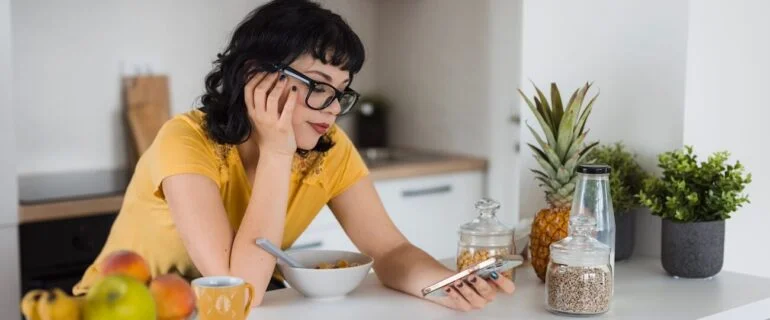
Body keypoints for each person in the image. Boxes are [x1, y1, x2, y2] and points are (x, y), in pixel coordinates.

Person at [73, 0, 515, 311]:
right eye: (317, 85)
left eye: (340, 93)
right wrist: (277, 151)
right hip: (124, 309)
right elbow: (238, 289)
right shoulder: (185, 140)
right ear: (254, 75)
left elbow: (391, 249)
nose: (331, 109)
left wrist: (443, 286)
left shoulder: (328, 147)